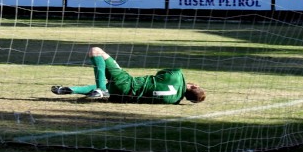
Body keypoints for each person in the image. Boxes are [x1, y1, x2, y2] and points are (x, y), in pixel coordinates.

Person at [51, 47, 206, 104]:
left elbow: (160, 73)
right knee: (107, 86)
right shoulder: (174, 101)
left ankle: (101, 89)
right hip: (122, 97)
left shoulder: (178, 75)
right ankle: (71, 89)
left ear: (195, 86)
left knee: (96, 51)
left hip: (127, 83)